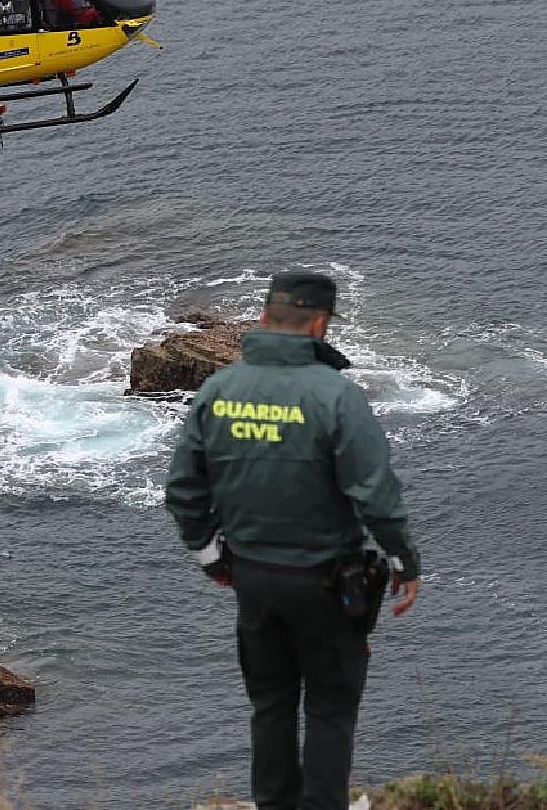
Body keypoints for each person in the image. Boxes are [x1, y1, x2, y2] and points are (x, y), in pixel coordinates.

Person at [164, 271, 421, 810]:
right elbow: (374, 494)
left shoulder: (218, 389)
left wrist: (212, 558)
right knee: (330, 705)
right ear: (320, 325)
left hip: (252, 578)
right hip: (327, 579)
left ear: (263, 318)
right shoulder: (336, 395)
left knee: (272, 702)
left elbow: (184, 489)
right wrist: (403, 560)